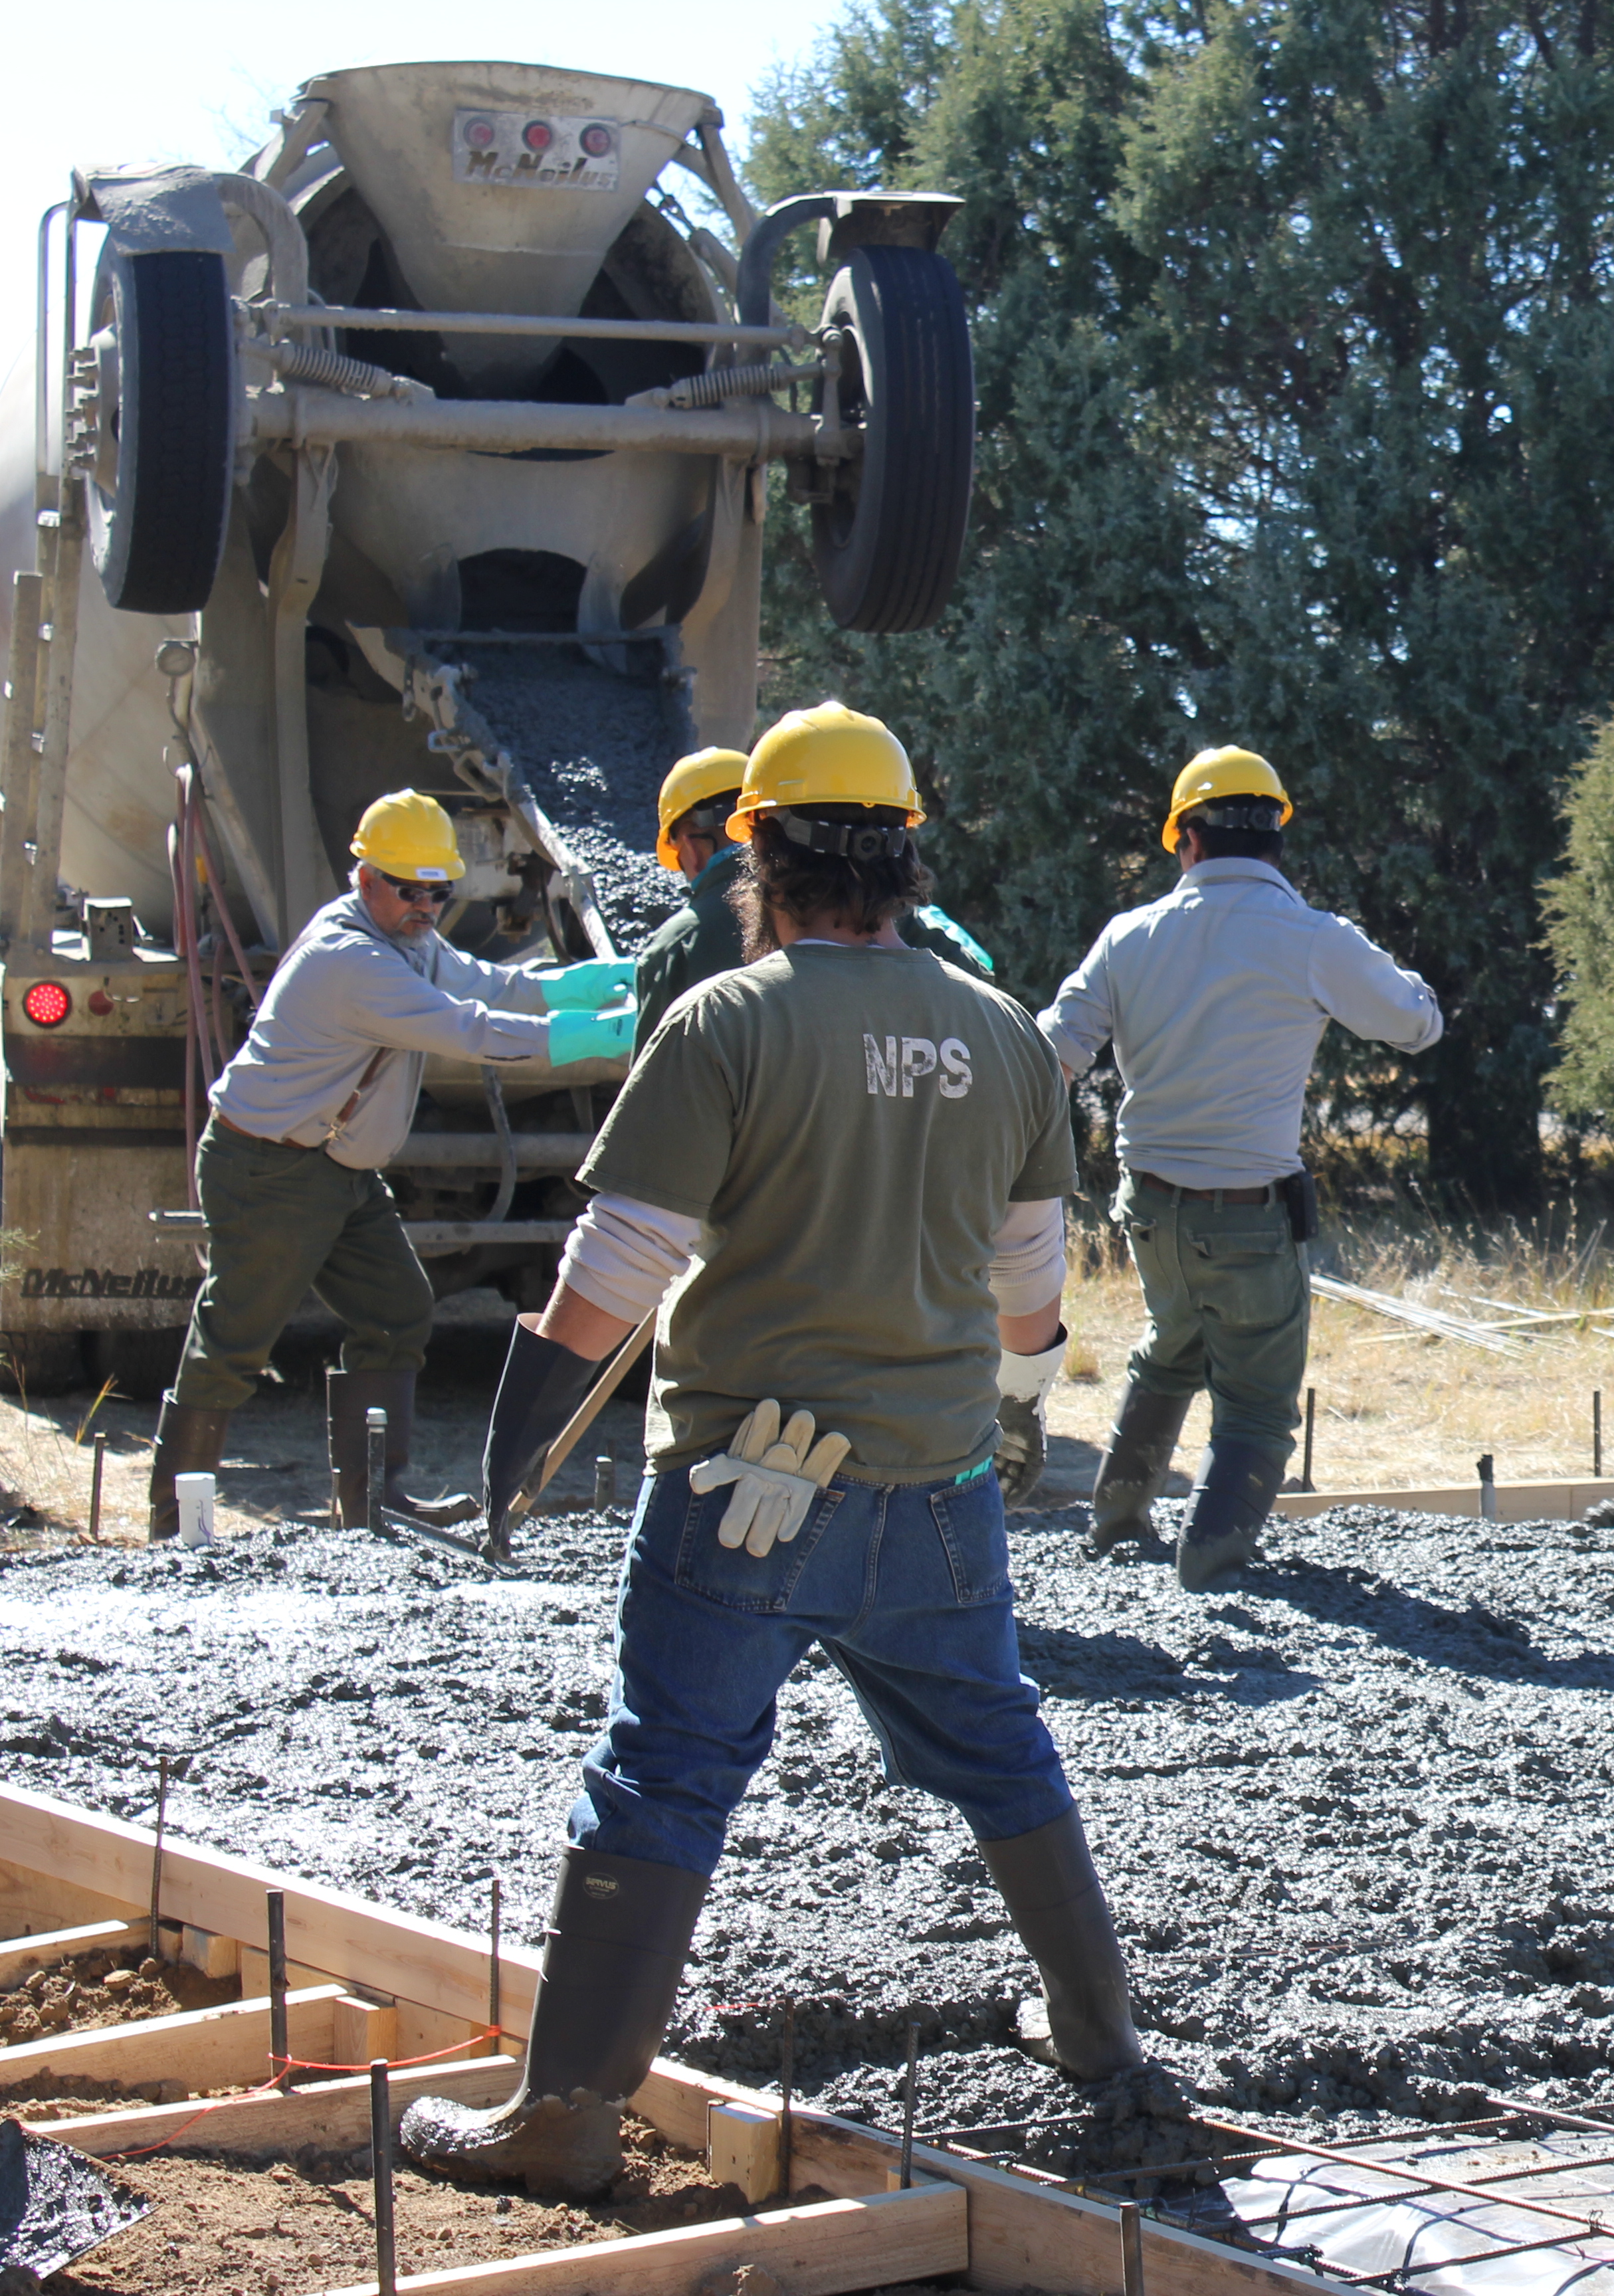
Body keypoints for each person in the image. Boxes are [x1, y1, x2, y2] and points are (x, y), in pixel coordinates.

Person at [408, 702, 1131, 2201]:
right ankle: (1103, 2036)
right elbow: (1033, 1295)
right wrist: (1006, 1421)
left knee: (662, 1775)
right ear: (905, 865)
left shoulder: (728, 1024)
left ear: (759, 861)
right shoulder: (1002, 1038)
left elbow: (611, 1276)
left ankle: (564, 2117)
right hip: (939, 1498)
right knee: (998, 1745)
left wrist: (517, 1453)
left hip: (750, 1490)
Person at [144, 791, 636, 1541]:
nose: (427, 905)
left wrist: (592, 981)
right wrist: (601, 1036)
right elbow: (469, 1030)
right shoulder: (353, 961)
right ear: (365, 878)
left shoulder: (405, 938)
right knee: (235, 1339)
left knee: (397, 1310)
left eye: (439, 891)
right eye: (410, 889)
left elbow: (488, 983)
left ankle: (375, 1501)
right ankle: (174, 1521)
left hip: (334, 1168)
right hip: (270, 1170)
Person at [1035, 746, 1442, 1588]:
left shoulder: (1129, 936)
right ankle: (1211, 1561)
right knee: (1256, 1401)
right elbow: (1415, 1024)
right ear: (1276, 841)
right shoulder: (1311, 939)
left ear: (1185, 840)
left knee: (1168, 1351)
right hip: (1249, 1213)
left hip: (1148, 1209)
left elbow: (1051, 1054)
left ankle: (1117, 1522)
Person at [635, 743, 1001, 1054]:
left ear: (689, 849)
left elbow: (649, 1118)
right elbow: (976, 976)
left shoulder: (676, 949)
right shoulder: (887, 912)